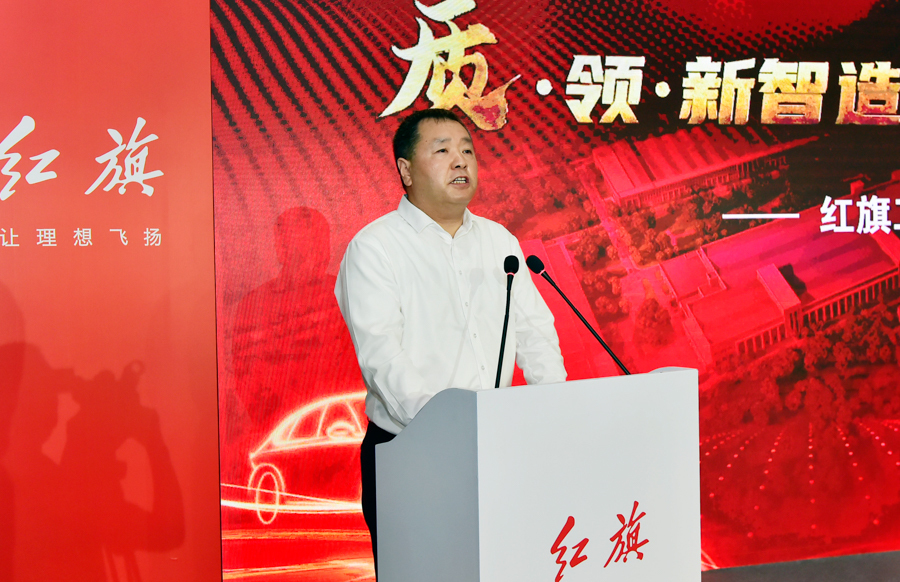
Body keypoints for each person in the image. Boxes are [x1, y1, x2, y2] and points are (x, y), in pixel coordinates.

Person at [334, 108, 566, 576]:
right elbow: (383, 358)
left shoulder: (499, 241)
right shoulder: (375, 248)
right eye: (442, 150)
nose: (461, 161)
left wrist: (555, 414)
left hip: (498, 445)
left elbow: (535, 334)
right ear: (405, 170)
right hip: (411, 452)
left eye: (467, 151)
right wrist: (449, 432)